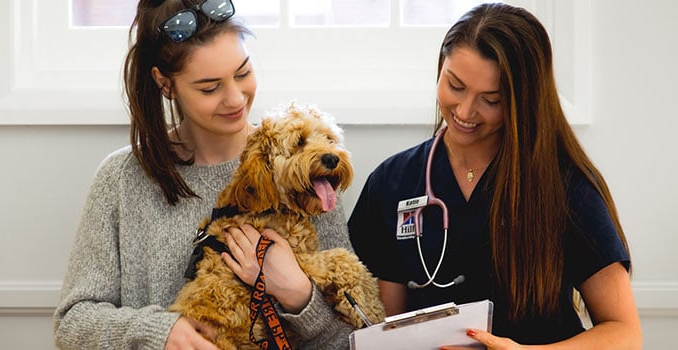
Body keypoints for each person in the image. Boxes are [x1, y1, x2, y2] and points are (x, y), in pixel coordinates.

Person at [53, 1, 357, 349]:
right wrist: (161, 333)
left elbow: (351, 339)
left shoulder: (304, 171)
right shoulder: (121, 179)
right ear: (165, 84)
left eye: (243, 73)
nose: (235, 99)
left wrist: (298, 295)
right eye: (210, 88)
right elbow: (73, 323)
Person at [348, 3, 642, 348]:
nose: (465, 111)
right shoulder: (391, 183)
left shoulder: (565, 187)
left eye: (491, 99)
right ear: (440, 68)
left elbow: (625, 333)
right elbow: (385, 329)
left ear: (523, 101)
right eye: (455, 86)